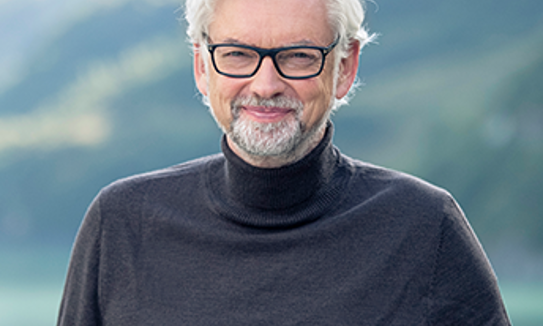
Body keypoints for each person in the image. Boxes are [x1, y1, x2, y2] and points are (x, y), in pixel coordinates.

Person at [57, 0, 511, 324]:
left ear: (345, 66)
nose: (266, 83)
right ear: (201, 65)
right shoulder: (122, 224)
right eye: (237, 54)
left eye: (298, 56)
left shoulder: (425, 228)